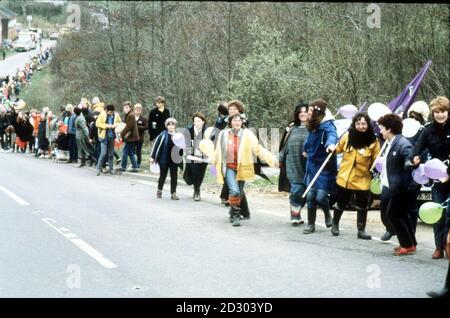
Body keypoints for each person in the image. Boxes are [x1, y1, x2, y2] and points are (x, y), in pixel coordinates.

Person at [213, 113, 278, 226]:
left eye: (239, 120)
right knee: (235, 191)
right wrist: (214, 161)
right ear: (230, 122)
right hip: (228, 167)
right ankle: (236, 215)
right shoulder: (224, 134)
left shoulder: (248, 134)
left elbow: (257, 149)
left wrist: (271, 159)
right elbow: (218, 150)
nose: (237, 122)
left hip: (242, 168)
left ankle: (233, 211)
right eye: (234, 120)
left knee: (239, 193)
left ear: (242, 122)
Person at [327, 112, 380, 239]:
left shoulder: (373, 141)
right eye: (358, 124)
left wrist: (378, 166)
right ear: (354, 124)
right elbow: (338, 149)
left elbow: (376, 159)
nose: (361, 126)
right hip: (345, 177)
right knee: (341, 202)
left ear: (368, 124)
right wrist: (331, 147)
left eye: (363, 124)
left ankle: (361, 231)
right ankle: (335, 224)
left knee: (362, 205)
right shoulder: (347, 136)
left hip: (363, 178)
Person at [410, 96, 450, 259]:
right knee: (437, 213)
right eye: (436, 112)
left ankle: (447, 244)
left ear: (448, 112)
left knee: (449, 213)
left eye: (443, 111)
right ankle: (438, 247)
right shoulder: (427, 130)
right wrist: (413, 159)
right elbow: (416, 149)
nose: (440, 115)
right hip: (437, 178)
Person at [377, 113, 417, 256]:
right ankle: (411, 244)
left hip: (402, 187)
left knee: (392, 214)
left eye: (381, 128)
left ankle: (406, 245)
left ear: (388, 129)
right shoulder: (392, 142)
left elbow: (408, 159)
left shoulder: (402, 143)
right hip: (396, 186)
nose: (380, 131)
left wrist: (411, 162)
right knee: (402, 215)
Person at [303, 98, 338, 234]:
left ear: (317, 111)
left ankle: (327, 214)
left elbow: (332, 136)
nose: (308, 112)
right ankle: (311, 224)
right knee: (311, 196)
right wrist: (305, 149)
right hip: (312, 165)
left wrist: (330, 144)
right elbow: (309, 140)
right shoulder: (313, 125)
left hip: (325, 166)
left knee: (321, 197)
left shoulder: (328, 126)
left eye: (311, 110)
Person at [278, 102, 310, 225]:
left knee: (308, 192)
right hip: (293, 164)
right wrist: (279, 159)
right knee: (296, 189)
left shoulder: (313, 128)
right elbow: (285, 146)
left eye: (305, 111)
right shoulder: (292, 128)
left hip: (308, 165)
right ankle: (294, 214)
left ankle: (297, 210)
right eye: (300, 112)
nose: (302, 114)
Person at [150, 117, 183, 200]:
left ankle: (173, 193)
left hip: (174, 160)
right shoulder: (162, 135)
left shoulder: (178, 135)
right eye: (169, 125)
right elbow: (156, 146)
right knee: (163, 176)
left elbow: (182, 148)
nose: (171, 126)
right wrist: (152, 157)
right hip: (164, 159)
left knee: (174, 177)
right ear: (166, 126)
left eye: (173, 125)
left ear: (175, 126)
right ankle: (159, 190)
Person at [184, 112, 208, 201]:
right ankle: (196, 190)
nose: (197, 123)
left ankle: (197, 189)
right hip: (192, 156)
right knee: (194, 173)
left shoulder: (207, 131)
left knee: (200, 174)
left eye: (199, 121)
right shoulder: (189, 130)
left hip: (203, 156)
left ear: (203, 122)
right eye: (195, 121)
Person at [95, 104, 122, 176]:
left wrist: (115, 125)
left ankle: (111, 169)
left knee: (110, 154)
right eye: (110, 112)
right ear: (107, 110)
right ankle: (98, 168)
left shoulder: (116, 115)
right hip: (103, 137)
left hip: (112, 136)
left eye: (112, 112)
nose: (111, 113)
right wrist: (106, 126)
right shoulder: (102, 114)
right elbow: (97, 124)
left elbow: (119, 122)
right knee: (103, 153)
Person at [119, 101, 139, 172]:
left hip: (130, 136)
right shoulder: (127, 114)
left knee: (125, 152)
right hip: (131, 136)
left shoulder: (131, 115)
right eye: (124, 107)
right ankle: (135, 167)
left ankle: (123, 167)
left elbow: (128, 127)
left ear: (130, 108)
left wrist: (121, 134)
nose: (125, 109)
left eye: (127, 107)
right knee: (131, 152)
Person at [134, 103, 148, 169]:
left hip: (140, 138)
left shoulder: (143, 119)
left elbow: (146, 127)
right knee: (132, 151)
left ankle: (138, 164)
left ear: (141, 110)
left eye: (139, 109)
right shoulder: (132, 117)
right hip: (132, 138)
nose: (138, 111)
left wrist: (137, 127)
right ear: (134, 110)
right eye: (136, 109)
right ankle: (133, 163)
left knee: (138, 152)